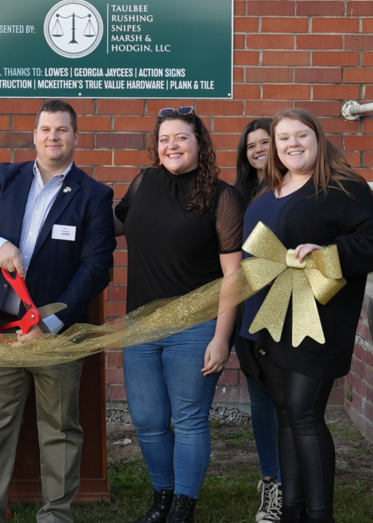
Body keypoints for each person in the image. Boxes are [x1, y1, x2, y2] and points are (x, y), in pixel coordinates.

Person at [0, 99, 116, 523]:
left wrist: (51, 323)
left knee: (61, 430)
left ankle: (55, 515)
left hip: (55, 334)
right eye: (46, 129)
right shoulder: (2, 178)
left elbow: (96, 268)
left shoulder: (95, 196)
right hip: (1, 330)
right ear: (34, 134)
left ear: (75, 137)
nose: (53, 137)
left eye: (62, 130)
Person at [246, 108, 373, 523]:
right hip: (270, 319)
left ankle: (320, 515)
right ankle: (293, 510)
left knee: (305, 413)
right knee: (286, 416)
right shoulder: (268, 192)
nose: (292, 143)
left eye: (301, 135)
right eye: (283, 137)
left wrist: (329, 255)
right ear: (273, 146)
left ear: (318, 139)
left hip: (318, 322)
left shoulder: (343, 187)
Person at [114, 106, 242, 523]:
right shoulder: (144, 182)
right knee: (148, 419)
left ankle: (183, 507)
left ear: (199, 144)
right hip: (141, 326)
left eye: (181, 138)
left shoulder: (222, 197)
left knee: (188, 419)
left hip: (196, 326)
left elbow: (233, 277)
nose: (171, 145)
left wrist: (222, 338)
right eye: (164, 139)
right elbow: (110, 224)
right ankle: (162, 498)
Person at [233, 117, 282, 523]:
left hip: (291, 310)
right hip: (248, 315)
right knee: (262, 401)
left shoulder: (298, 190)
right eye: (251, 145)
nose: (258, 150)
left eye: (266, 141)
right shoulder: (239, 196)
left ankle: (294, 481)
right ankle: (272, 482)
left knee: (295, 405)